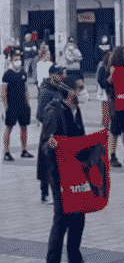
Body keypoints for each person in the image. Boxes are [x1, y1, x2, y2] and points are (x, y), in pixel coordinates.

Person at [41, 76, 101, 263]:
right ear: (69, 91)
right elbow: (46, 145)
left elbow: (78, 140)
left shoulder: (76, 110)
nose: (84, 92)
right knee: (62, 220)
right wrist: (52, 145)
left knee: (78, 218)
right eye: (80, 88)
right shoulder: (55, 111)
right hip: (58, 175)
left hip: (75, 172)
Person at [36, 66, 65, 204]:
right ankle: (44, 193)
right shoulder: (45, 91)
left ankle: (59, 191)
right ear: (53, 75)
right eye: (60, 74)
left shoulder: (61, 88)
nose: (62, 76)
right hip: (49, 132)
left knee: (59, 164)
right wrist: (51, 125)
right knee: (46, 162)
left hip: (62, 131)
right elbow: (40, 114)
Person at [2, 52, 33, 161]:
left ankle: (24, 150)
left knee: (24, 128)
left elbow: (26, 90)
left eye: (19, 59)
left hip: (23, 105)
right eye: (15, 59)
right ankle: (6, 152)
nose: (18, 61)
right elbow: (3, 93)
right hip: (12, 106)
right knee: (8, 128)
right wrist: (5, 106)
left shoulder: (23, 73)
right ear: (11, 61)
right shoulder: (7, 74)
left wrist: (28, 103)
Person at [96, 51, 112, 130]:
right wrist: (107, 82)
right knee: (105, 111)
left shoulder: (113, 67)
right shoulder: (102, 67)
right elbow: (99, 80)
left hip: (112, 92)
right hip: (104, 92)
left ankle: (107, 126)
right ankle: (105, 127)